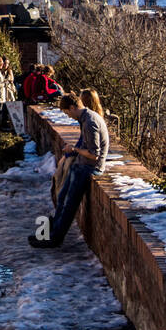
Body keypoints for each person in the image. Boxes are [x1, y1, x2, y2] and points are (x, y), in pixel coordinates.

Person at [28, 91, 110, 250]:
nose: (68, 117)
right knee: (62, 197)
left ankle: (55, 239)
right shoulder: (85, 118)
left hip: (90, 168)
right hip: (81, 164)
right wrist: (72, 151)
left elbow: (94, 154)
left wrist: (74, 149)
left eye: (67, 113)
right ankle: (47, 233)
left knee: (69, 204)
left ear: (72, 107)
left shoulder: (89, 122)